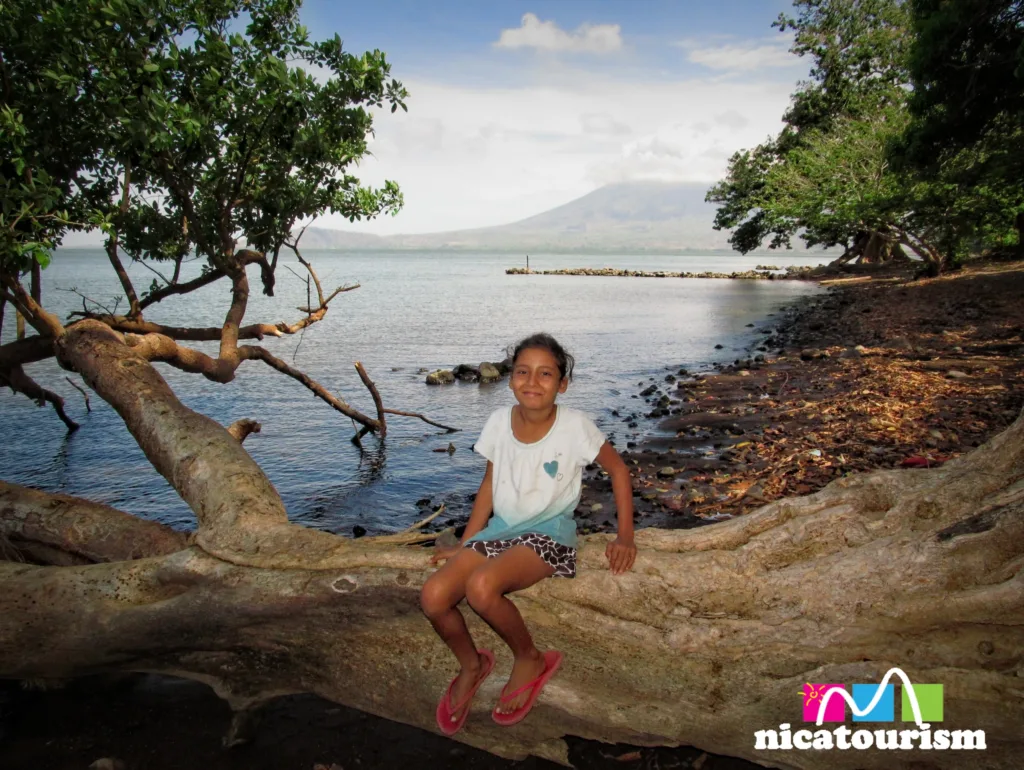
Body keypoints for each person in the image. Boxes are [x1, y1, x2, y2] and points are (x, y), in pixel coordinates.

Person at [420, 332, 637, 735]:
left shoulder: (575, 426)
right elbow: (489, 485)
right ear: (510, 377)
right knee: (433, 597)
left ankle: (529, 657)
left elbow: (619, 470)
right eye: (523, 371)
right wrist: (468, 543)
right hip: (500, 531)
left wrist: (625, 536)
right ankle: (473, 664)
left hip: (549, 534)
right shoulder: (498, 422)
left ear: (562, 384)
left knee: (482, 588)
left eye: (545, 374)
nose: (532, 382)